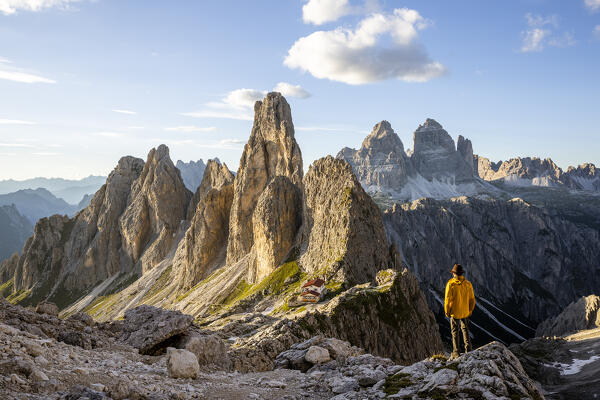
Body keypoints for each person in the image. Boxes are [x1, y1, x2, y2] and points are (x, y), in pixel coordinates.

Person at [444, 263, 475, 359]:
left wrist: (447, 312)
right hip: (465, 312)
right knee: (465, 330)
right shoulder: (468, 284)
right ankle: (468, 349)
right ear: (462, 274)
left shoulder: (451, 284)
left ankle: (456, 352)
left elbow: (447, 300)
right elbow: (472, 299)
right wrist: (470, 310)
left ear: (454, 273)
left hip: (455, 312)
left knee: (455, 331)